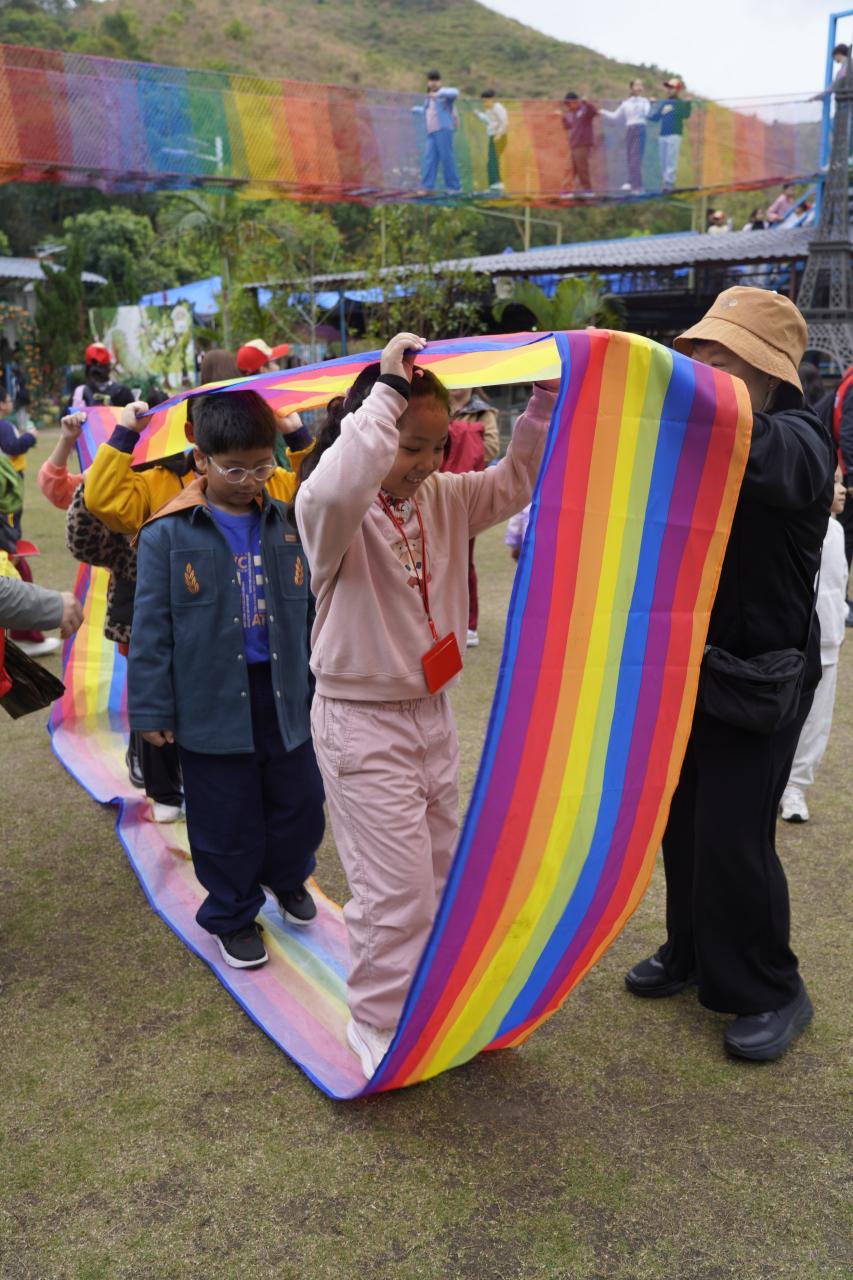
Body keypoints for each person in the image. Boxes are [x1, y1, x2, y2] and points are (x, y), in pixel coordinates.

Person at [295, 332, 559, 1079]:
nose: (427, 463)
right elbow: (336, 489)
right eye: (409, 446)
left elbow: (515, 481)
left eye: (438, 445)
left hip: (431, 714)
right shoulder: (332, 512)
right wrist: (384, 391)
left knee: (442, 875)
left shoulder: (442, 496)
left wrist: (543, 401)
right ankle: (380, 1025)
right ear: (372, 431)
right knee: (395, 895)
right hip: (359, 723)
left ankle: (431, 1004)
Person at [625, 287, 835, 1062]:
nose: (701, 371)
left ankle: (771, 987)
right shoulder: (703, 438)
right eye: (697, 355)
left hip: (762, 676)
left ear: (766, 369)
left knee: (731, 834)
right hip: (693, 661)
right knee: (680, 820)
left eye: (720, 358)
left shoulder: (799, 440)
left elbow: (762, 453)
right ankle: (689, 951)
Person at [128, 390, 325, 970]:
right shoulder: (167, 534)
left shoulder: (288, 522)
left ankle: (288, 879)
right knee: (225, 816)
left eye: (262, 467)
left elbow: (310, 613)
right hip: (209, 702)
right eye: (234, 468)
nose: (249, 481)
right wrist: (152, 710)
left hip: (285, 694)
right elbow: (151, 630)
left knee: (300, 802)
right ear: (201, 458)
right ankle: (233, 914)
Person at [780, 468, 847, 822]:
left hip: (830, 640)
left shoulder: (838, 531)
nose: (842, 489)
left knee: (818, 720)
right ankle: (777, 782)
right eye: (834, 482)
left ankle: (796, 786)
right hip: (798, 640)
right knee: (788, 715)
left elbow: (838, 583)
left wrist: (839, 619)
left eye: (841, 481)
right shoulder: (802, 528)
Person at [0, 383, 59, 657]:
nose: (11, 403)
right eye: (8, 399)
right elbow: (13, 446)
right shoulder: (3, 426)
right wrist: (30, 437)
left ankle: (25, 636)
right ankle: (26, 636)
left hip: (7, 508)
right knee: (19, 572)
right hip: (5, 515)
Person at [444, 389, 501, 647]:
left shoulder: (483, 412)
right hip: (435, 485)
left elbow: (491, 447)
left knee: (463, 560)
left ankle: (468, 623)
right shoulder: (437, 404)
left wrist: (453, 438)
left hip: (466, 493)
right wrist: (468, 435)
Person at [412, 71, 461, 193]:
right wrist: (414, 109)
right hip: (431, 132)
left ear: (440, 82)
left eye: (436, 80)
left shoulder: (445, 95)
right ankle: (427, 187)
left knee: (446, 157)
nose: (433, 83)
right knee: (429, 159)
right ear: (428, 82)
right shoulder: (428, 98)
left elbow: (456, 92)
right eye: (431, 80)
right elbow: (426, 111)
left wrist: (439, 94)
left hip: (443, 129)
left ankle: (454, 187)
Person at [599, 79, 650, 192]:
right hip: (629, 129)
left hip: (640, 128)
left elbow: (647, 114)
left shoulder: (644, 101)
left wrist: (650, 104)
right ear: (631, 88)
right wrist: (602, 111)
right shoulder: (626, 103)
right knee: (630, 157)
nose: (639, 87)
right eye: (636, 85)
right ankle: (632, 182)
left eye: (641, 85)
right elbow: (614, 116)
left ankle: (637, 186)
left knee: (636, 158)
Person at [648, 79, 692, 191]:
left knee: (671, 160)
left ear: (677, 90)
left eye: (671, 88)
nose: (669, 90)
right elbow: (654, 117)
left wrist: (688, 103)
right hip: (662, 135)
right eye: (668, 87)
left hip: (674, 135)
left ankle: (669, 183)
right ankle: (664, 183)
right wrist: (652, 104)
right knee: (663, 161)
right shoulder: (664, 103)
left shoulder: (680, 103)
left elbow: (686, 115)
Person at [69, 344, 133, 411]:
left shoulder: (79, 393)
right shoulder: (123, 392)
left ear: (88, 368)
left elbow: (66, 416)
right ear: (108, 366)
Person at [560, 92, 598, 193]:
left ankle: (587, 190)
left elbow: (594, 112)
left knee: (582, 167)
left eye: (569, 103)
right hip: (573, 144)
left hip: (583, 143)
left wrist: (587, 103)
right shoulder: (570, 113)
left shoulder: (584, 109)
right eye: (566, 104)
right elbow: (567, 126)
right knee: (570, 168)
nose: (568, 105)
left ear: (575, 101)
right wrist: (561, 117)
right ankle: (566, 190)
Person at [475, 89, 509, 190]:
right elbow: (488, 121)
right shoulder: (489, 109)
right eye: (483, 101)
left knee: (493, 161)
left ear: (493, 98)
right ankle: (495, 184)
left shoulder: (498, 107)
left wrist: (499, 134)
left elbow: (504, 122)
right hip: (492, 136)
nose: (485, 103)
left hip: (499, 137)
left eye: (486, 100)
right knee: (492, 161)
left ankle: (497, 184)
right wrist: (479, 114)